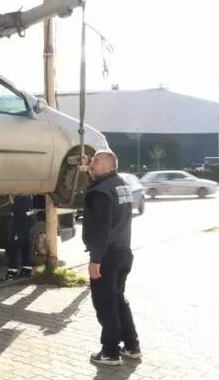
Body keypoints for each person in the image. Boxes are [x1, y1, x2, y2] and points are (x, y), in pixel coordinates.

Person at [82, 150, 139, 366]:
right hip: (123, 252)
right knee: (118, 300)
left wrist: (95, 259)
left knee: (105, 304)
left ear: (107, 165)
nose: (91, 163)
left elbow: (101, 228)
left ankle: (110, 351)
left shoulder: (101, 192)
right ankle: (132, 345)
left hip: (107, 256)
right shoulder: (121, 184)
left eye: (95, 161)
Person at [0, 194, 35, 282]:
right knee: (27, 245)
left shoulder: (19, 196)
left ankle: (12, 273)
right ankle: (26, 270)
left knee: (16, 247)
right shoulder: (27, 195)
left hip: (20, 223)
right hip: (27, 223)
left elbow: (16, 211)